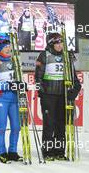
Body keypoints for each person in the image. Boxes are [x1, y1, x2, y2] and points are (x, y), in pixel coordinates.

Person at [35, 32, 81, 161]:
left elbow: (74, 78)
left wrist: (75, 90)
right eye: (57, 43)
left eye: (62, 43)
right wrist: (42, 93)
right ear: (51, 43)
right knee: (49, 124)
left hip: (63, 96)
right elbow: (38, 77)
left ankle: (59, 151)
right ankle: (47, 151)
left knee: (61, 124)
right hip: (49, 95)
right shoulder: (44, 55)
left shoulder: (67, 57)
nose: (60, 45)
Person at [0, 34, 24, 164]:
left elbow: (19, 78)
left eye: (9, 47)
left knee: (16, 127)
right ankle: (2, 152)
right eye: (5, 47)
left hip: (14, 98)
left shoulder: (14, 62)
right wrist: (8, 85)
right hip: (0, 98)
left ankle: (13, 151)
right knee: (2, 127)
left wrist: (20, 84)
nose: (8, 49)